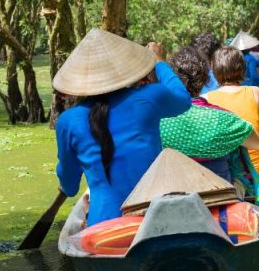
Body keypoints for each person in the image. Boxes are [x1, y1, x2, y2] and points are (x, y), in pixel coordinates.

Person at [54, 29, 191, 227]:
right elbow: (183, 99)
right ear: (123, 70)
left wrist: (64, 179)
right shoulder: (148, 97)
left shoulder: (67, 121)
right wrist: (159, 62)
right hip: (154, 218)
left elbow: (70, 186)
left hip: (103, 227)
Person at [160, 47, 259, 182]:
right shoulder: (223, 118)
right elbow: (257, 144)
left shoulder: (159, 120)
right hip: (217, 193)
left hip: (173, 190)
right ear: (206, 79)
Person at [205, 46, 259, 189]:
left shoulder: (205, 98)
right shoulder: (256, 92)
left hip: (224, 177)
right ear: (243, 69)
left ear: (214, 71)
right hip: (257, 179)